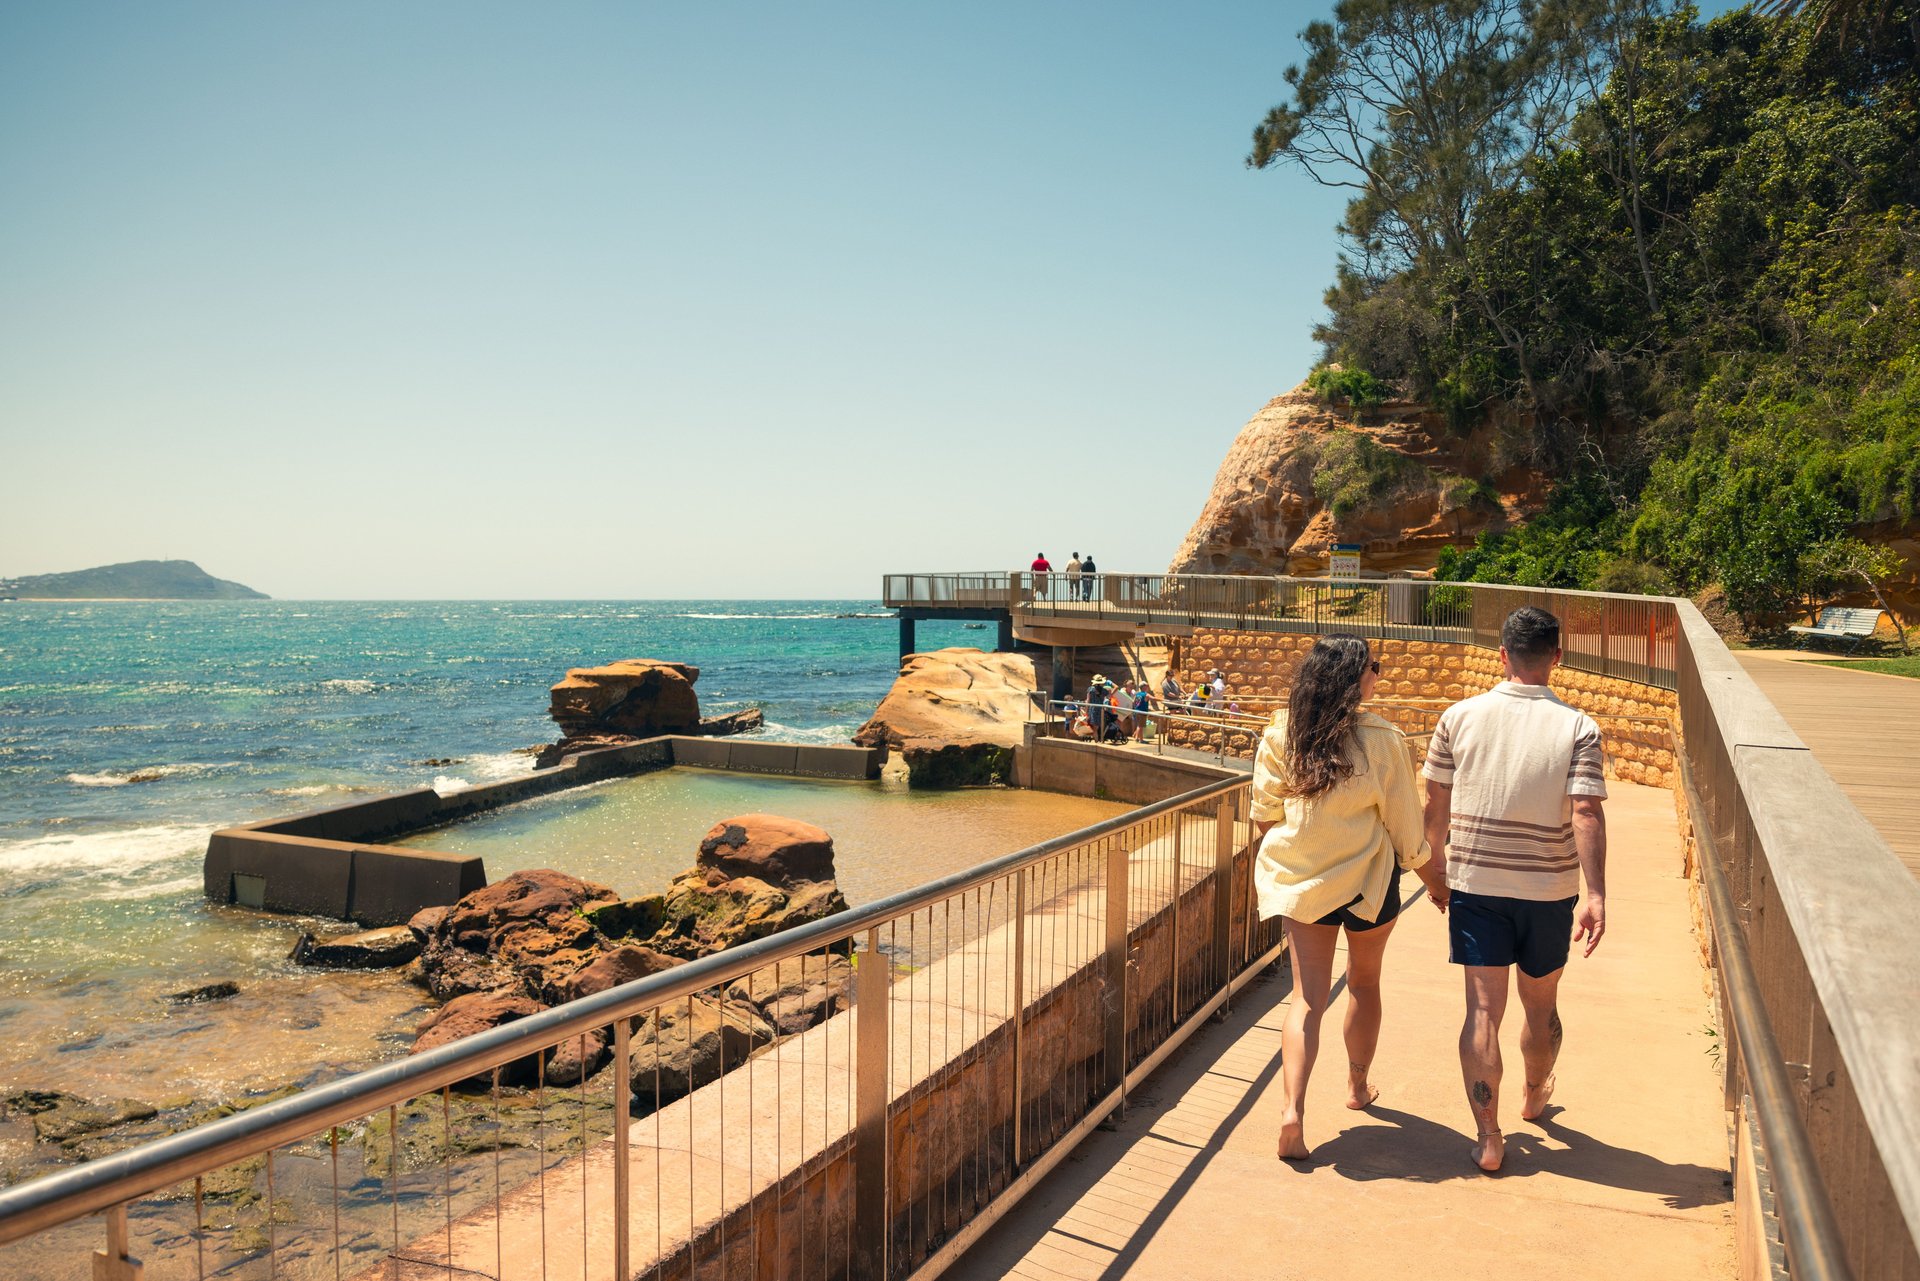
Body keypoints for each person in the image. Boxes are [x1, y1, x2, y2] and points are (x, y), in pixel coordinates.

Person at [1421, 606, 1608, 1174]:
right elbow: (1585, 811)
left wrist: (1434, 867)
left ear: (1501, 655)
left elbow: (1434, 805)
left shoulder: (1458, 717)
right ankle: (1534, 1092)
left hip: (1476, 883)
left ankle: (1488, 1136)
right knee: (1541, 1004)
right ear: (1557, 655)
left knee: (1483, 1009)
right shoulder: (1579, 726)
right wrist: (1595, 892)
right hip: (1549, 888)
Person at [1252, 634, 1447, 1161]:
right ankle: (1358, 1088)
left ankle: (1293, 1110)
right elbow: (1407, 831)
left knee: (1306, 998)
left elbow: (1265, 814)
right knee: (1364, 982)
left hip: (1305, 882)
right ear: (1356, 678)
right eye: (1374, 667)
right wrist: (1435, 882)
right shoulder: (1383, 739)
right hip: (1368, 884)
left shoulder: (1281, 732)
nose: (1378, 675)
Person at [1086, 674, 1114, 739]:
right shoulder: (1104, 691)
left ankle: (1095, 741)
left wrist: (1086, 711)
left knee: (1093, 728)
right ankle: (1098, 740)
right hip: (1100, 710)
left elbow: (1088, 700)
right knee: (1097, 728)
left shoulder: (1090, 689)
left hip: (1092, 709)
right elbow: (1109, 696)